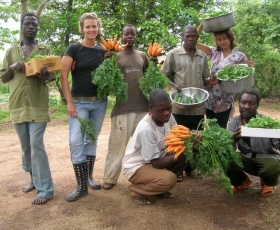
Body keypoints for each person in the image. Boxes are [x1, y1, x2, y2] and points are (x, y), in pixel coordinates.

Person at [0, 13, 54, 205]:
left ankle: (46, 189)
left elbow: (50, 78)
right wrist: (12, 67)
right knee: (25, 148)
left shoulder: (44, 48)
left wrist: (44, 75)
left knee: (36, 144)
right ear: (21, 27)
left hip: (37, 104)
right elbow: (3, 78)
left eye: (34, 24)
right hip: (17, 105)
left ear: (37, 28)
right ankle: (33, 179)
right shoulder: (11, 50)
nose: (31, 26)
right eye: (27, 23)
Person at [60, 12, 108, 202]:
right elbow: (63, 76)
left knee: (92, 140)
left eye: (94, 26)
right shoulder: (73, 49)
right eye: (87, 26)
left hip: (99, 102)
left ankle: (88, 177)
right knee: (75, 141)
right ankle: (81, 186)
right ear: (82, 28)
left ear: (98, 28)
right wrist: (69, 102)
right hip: (79, 102)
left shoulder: (102, 51)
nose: (91, 29)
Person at [161, 24, 217, 180]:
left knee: (195, 138)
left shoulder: (202, 56)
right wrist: (173, 85)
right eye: (188, 36)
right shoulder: (173, 54)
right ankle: (177, 170)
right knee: (178, 138)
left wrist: (210, 81)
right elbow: (164, 75)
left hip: (198, 106)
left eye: (193, 36)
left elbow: (204, 79)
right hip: (179, 105)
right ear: (183, 37)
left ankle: (190, 169)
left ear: (197, 38)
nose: (191, 38)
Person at [102, 24, 150, 190]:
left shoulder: (143, 56)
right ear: (122, 37)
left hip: (144, 108)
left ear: (136, 37)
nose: (130, 36)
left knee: (145, 146)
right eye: (126, 34)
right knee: (117, 145)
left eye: (133, 34)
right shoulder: (115, 57)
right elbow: (108, 81)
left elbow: (151, 77)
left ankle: (147, 177)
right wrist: (106, 61)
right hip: (123, 108)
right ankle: (110, 177)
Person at [122, 89, 188, 205]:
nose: (166, 113)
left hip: (155, 159)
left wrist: (191, 136)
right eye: (161, 110)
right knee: (169, 179)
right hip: (137, 167)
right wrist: (179, 154)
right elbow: (156, 163)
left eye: (169, 108)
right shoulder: (146, 129)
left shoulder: (168, 117)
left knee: (187, 156)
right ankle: (137, 190)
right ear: (150, 108)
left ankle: (159, 189)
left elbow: (178, 136)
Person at [196, 23, 253, 129]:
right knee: (211, 127)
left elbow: (246, 74)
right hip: (210, 97)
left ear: (230, 38)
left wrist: (250, 67)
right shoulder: (214, 52)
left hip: (225, 99)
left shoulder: (240, 56)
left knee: (220, 128)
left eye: (224, 38)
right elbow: (194, 42)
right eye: (219, 39)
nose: (222, 42)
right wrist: (202, 25)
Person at [228, 88, 280, 197]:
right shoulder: (234, 123)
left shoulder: (267, 122)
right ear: (239, 104)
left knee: (272, 169)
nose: (247, 106)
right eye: (244, 102)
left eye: (251, 103)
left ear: (257, 105)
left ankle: (266, 183)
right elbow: (228, 148)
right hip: (246, 157)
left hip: (267, 157)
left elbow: (278, 145)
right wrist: (233, 139)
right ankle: (241, 181)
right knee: (224, 157)